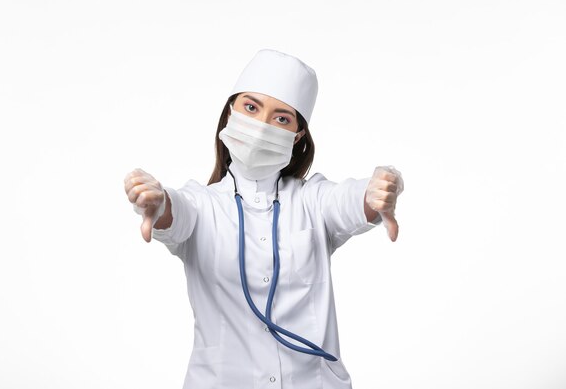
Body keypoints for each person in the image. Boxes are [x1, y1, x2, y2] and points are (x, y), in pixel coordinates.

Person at [123, 49, 404, 389]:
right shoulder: (202, 203)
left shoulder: (313, 200)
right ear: (230, 111)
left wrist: (377, 191)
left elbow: (349, 201)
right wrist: (158, 202)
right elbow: (176, 214)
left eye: (282, 118)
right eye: (251, 108)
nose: (260, 126)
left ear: (298, 134)